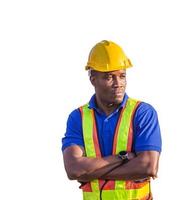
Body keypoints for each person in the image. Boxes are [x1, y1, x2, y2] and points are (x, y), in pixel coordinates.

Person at [62, 40, 162, 200]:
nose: (118, 84)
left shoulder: (142, 113)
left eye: (122, 76)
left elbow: (148, 166)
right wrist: (122, 158)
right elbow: (73, 169)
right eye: (109, 77)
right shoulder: (78, 117)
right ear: (92, 79)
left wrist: (90, 173)